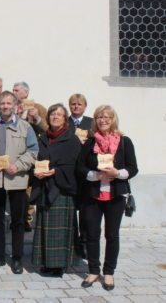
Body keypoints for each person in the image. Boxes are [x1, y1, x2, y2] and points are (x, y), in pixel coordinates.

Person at [77, 105, 138, 291]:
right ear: (95, 120)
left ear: (113, 120)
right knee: (92, 235)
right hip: (93, 196)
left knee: (112, 235)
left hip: (116, 196)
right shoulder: (89, 142)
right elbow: (80, 168)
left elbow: (133, 168)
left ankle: (109, 272)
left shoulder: (125, 142)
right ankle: (93, 270)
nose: (103, 120)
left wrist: (117, 173)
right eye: (99, 117)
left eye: (107, 117)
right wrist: (96, 176)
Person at [0, 90, 38, 274]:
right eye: (2, 103)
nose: (5, 106)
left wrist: (18, 165)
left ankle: (17, 259)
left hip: (17, 179)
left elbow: (33, 151)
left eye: (8, 103)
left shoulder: (26, 127)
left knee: (18, 221)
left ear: (15, 106)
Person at [30, 103, 81, 277]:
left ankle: (59, 265)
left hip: (61, 188)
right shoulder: (43, 137)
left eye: (59, 114)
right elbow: (37, 159)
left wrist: (56, 171)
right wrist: (36, 171)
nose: (55, 117)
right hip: (45, 186)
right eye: (52, 114)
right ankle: (46, 261)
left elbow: (75, 165)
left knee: (59, 229)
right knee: (45, 226)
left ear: (65, 119)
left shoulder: (71, 139)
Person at [12, 81, 48, 232]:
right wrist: (16, 116)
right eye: (13, 89)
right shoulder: (11, 108)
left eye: (16, 90)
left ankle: (27, 218)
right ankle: (17, 218)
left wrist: (37, 117)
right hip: (17, 154)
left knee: (30, 188)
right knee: (17, 187)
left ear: (25, 93)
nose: (13, 92)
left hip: (35, 154)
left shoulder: (38, 107)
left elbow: (47, 129)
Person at [68, 93, 94, 259]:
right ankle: (73, 243)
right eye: (73, 104)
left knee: (85, 211)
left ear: (85, 106)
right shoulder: (65, 122)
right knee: (71, 209)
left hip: (85, 172)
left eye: (79, 104)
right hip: (70, 171)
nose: (76, 107)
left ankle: (84, 242)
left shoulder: (91, 123)